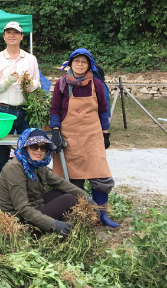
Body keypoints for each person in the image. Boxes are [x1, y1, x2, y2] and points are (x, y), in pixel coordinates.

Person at [50, 48, 119, 228]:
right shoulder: (61, 84)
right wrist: (55, 131)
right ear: (70, 63)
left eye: (83, 62)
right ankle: (80, 215)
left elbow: (103, 110)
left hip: (92, 136)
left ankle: (101, 215)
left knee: (101, 177)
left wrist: (105, 133)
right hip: (70, 136)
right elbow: (55, 109)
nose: (79, 65)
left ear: (89, 65)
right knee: (73, 179)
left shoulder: (96, 84)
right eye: (76, 61)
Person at [0, 128, 88, 236]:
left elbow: (60, 183)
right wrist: (53, 224)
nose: (39, 150)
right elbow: (22, 209)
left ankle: (63, 229)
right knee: (68, 200)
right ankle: (51, 232)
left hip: (34, 209)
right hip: (19, 223)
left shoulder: (36, 165)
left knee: (64, 192)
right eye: (34, 146)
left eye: (43, 147)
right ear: (25, 147)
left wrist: (87, 198)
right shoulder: (15, 168)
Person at [0, 21, 41, 192]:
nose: (12, 35)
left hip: (26, 111)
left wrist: (31, 84)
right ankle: (0, 192)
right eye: (8, 32)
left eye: (15, 33)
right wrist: (7, 81)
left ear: (21, 36)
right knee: (2, 156)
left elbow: (38, 83)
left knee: (31, 153)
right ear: (4, 36)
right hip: (4, 111)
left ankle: (31, 192)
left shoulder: (31, 59)